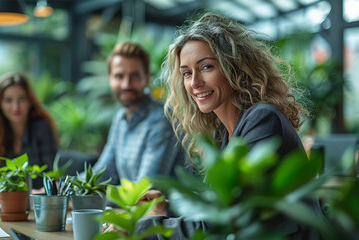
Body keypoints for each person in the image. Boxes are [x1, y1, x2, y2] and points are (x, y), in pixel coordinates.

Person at [132, 12, 315, 239]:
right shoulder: (225, 134)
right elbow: (218, 208)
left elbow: (226, 219)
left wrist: (141, 229)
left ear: (234, 67)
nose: (194, 82)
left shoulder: (263, 119)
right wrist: (165, 209)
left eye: (206, 67)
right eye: (186, 73)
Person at [87, 42, 185, 185]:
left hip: (160, 207)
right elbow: (103, 172)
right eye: (119, 76)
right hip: (129, 207)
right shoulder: (120, 119)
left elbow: (145, 189)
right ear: (110, 79)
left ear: (147, 79)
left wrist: (89, 197)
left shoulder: (162, 120)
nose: (126, 84)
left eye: (134, 76)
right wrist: (62, 188)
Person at [0, 73, 58, 202]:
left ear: (30, 101)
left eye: (21, 99)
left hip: (37, 206)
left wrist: (42, 191)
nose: (16, 107)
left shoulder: (42, 128)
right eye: (8, 100)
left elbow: (53, 176)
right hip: (3, 208)